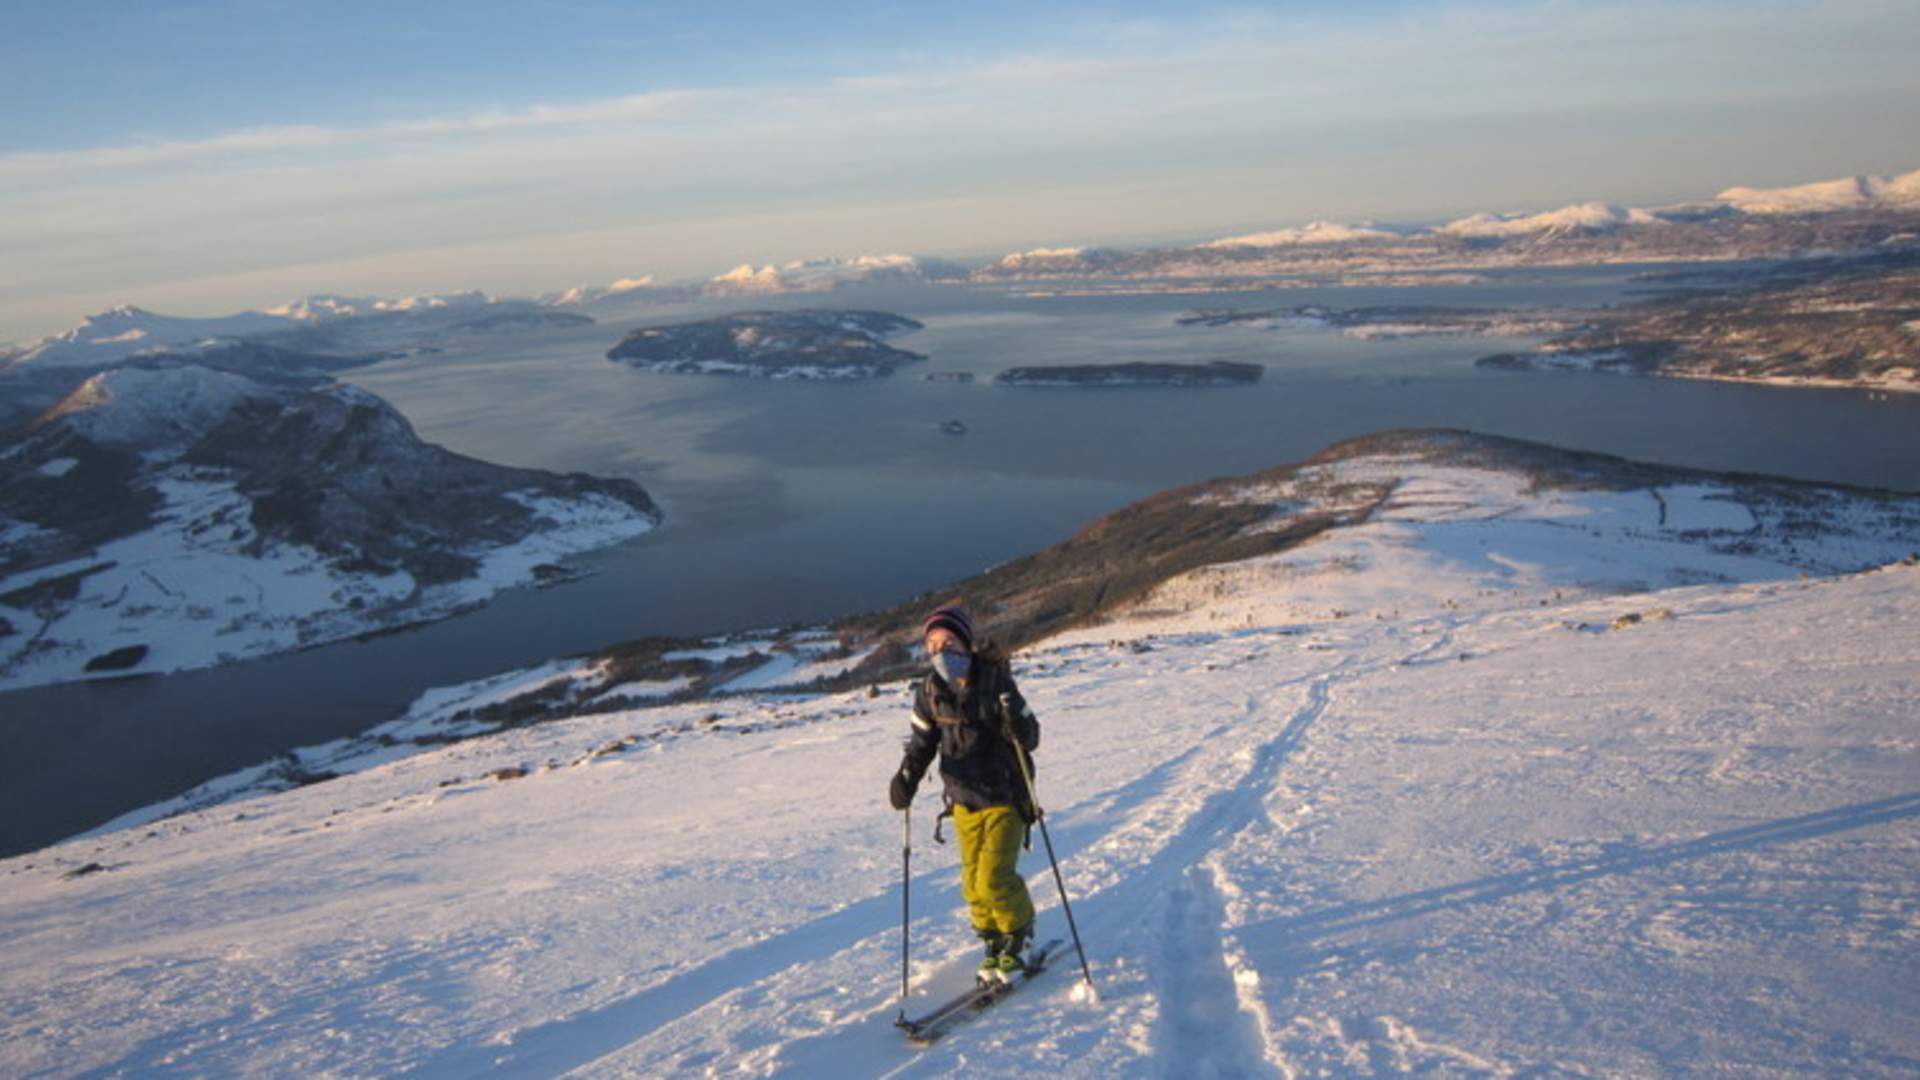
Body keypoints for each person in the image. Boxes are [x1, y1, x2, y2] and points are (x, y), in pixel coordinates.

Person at [888, 603, 1042, 984]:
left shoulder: (995, 683)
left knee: (993, 878)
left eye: (950, 641)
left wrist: (1016, 722)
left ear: (967, 643)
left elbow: (1031, 737)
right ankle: (993, 941)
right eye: (933, 644)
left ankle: (1019, 935)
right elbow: (922, 742)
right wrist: (906, 778)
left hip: (1005, 796)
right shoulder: (929, 692)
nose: (942, 652)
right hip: (962, 800)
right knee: (972, 884)